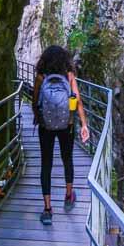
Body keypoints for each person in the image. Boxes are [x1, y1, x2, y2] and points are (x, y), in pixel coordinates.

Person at [32, 45, 89, 226]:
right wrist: (84, 125)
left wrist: (38, 117)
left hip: (46, 126)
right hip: (67, 124)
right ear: (65, 60)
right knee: (67, 160)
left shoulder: (41, 77)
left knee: (46, 164)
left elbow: (35, 101)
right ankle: (68, 195)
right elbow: (77, 100)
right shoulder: (69, 76)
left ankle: (48, 209)